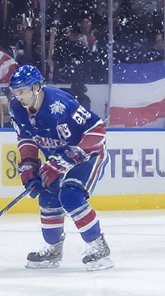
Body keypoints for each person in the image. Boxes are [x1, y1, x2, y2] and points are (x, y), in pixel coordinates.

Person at [8, 65, 113, 271]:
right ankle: (53, 249)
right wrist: (29, 169)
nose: (18, 95)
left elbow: (98, 130)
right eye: (15, 91)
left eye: (22, 90)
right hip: (57, 158)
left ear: (37, 87)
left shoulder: (59, 104)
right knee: (47, 197)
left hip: (87, 156)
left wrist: (68, 157)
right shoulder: (16, 108)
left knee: (71, 196)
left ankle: (98, 246)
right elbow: (26, 138)